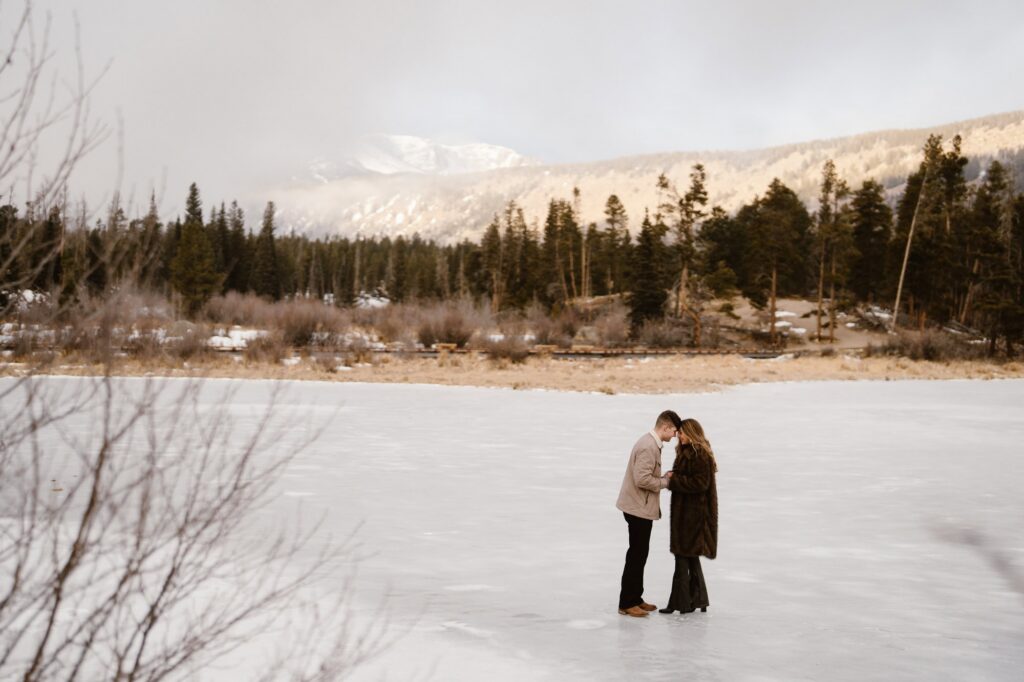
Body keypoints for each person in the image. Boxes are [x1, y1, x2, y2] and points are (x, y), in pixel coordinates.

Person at [615, 410, 681, 617]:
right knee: (636, 555)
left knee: (639, 554)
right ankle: (627, 602)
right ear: (665, 427)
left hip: (639, 506)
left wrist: (662, 477)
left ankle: (635, 598)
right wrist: (666, 481)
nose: (675, 436)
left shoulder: (651, 444)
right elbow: (641, 480)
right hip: (638, 509)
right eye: (674, 431)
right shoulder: (648, 446)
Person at [659, 418, 718, 615]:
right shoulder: (687, 452)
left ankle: (680, 603)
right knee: (690, 558)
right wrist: (675, 474)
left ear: (691, 433)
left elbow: (700, 483)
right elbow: (691, 477)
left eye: (682, 433)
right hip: (686, 514)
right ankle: (699, 599)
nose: (678, 436)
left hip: (693, 516)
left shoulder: (699, 454)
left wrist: (675, 480)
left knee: (682, 558)